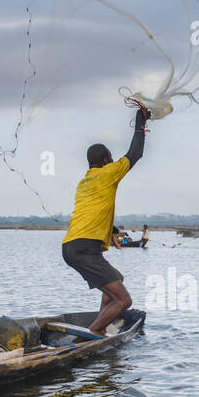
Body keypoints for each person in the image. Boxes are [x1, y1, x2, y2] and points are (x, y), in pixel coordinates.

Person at [61, 106, 150, 335]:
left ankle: (100, 326)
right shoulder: (108, 173)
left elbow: (94, 211)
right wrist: (141, 120)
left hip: (71, 246)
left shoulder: (84, 182)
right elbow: (135, 154)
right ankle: (90, 335)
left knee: (116, 280)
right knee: (124, 301)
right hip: (84, 249)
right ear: (106, 160)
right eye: (110, 159)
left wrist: (112, 229)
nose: (113, 162)